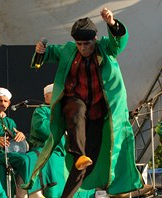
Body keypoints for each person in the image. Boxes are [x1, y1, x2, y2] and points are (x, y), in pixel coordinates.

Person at [24, 7, 143, 197]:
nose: (82, 48)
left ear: (94, 40)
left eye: (86, 44)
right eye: (79, 44)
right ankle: (79, 154)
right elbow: (48, 54)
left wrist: (112, 24)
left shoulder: (105, 48)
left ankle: (69, 192)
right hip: (75, 103)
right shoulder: (69, 50)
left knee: (86, 163)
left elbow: (118, 42)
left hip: (97, 113)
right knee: (77, 110)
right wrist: (41, 51)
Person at [0, 87, 54, 198]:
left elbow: (15, 140)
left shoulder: (10, 121)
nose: (3, 103)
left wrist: (21, 136)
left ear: (9, 103)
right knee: (24, 159)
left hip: (10, 153)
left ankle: (32, 191)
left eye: (5, 101)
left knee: (32, 158)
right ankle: (24, 193)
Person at [28, 83, 67, 197]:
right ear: (46, 96)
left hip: (63, 152)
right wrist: (60, 127)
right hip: (48, 151)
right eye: (53, 94)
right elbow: (41, 128)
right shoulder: (41, 111)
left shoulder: (63, 111)